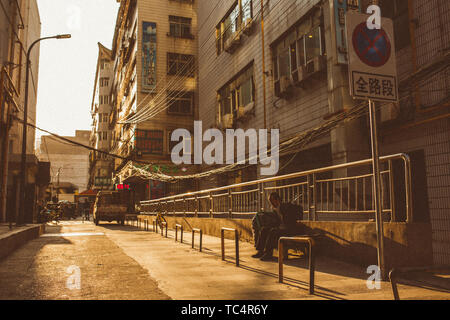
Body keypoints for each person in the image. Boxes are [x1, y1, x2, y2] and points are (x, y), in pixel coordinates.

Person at [253, 192, 303, 261]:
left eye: (271, 200)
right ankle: (260, 251)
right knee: (264, 229)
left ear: (277, 200)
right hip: (281, 228)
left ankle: (268, 253)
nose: (271, 203)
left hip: (289, 229)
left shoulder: (285, 207)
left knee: (273, 232)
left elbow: (290, 221)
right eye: (269, 201)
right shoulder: (274, 209)